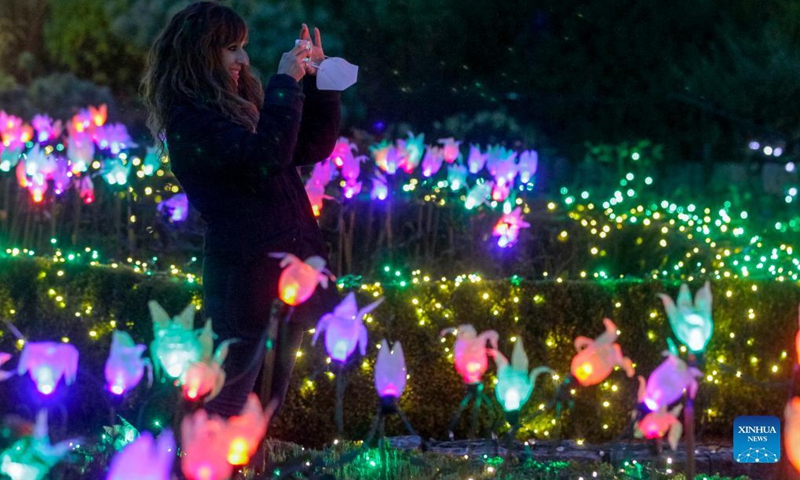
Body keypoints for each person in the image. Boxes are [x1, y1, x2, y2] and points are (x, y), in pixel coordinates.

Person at [141, 1, 341, 422]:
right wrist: (285, 82)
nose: (243, 59)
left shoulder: (237, 106)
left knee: (264, 405)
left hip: (280, 278)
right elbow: (265, 158)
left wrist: (321, 84)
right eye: (231, 48)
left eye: (242, 47)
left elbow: (305, 148)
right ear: (199, 54)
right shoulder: (192, 122)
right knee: (227, 406)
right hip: (245, 281)